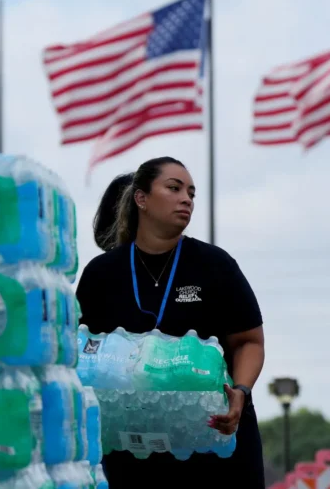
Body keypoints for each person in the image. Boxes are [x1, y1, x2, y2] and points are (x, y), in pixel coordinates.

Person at [76, 156, 266, 487]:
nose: (186, 199)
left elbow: (249, 341)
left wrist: (241, 390)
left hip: (214, 442)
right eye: (174, 188)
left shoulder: (215, 265)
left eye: (191, 193)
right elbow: (81, 350)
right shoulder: (101, 274)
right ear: (141, 199)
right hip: (133, 451)